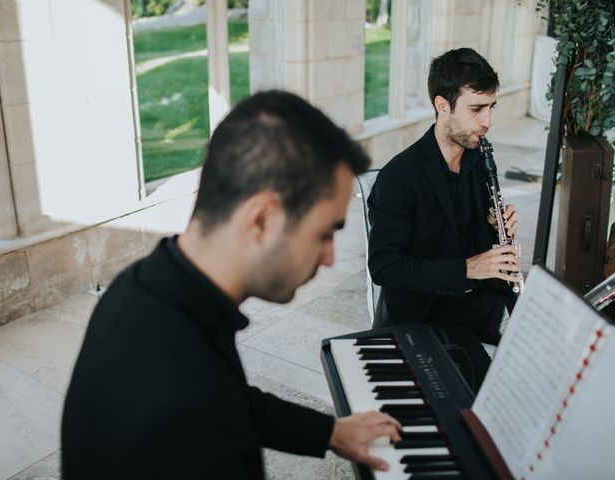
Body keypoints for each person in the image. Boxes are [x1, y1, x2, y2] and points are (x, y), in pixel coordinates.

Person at [61, 90, 402, 479]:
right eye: (325, 233)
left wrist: (329, 431)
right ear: (260, 219)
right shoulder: (183, 428)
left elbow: (225, 399)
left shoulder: (149, 284)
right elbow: (204, 408)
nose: (329, 258)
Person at [367, 48, 520, 392]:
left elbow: (471, 237)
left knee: (541, 345)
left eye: (491, 107)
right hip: (426, 313)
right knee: (489, 393)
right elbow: (385, 266)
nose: (487, 122)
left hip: (476, 300)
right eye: (476, 109)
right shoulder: (399, 177)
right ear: (442, 106)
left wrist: (494, 226)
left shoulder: (478, 159)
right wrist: (468, 267)